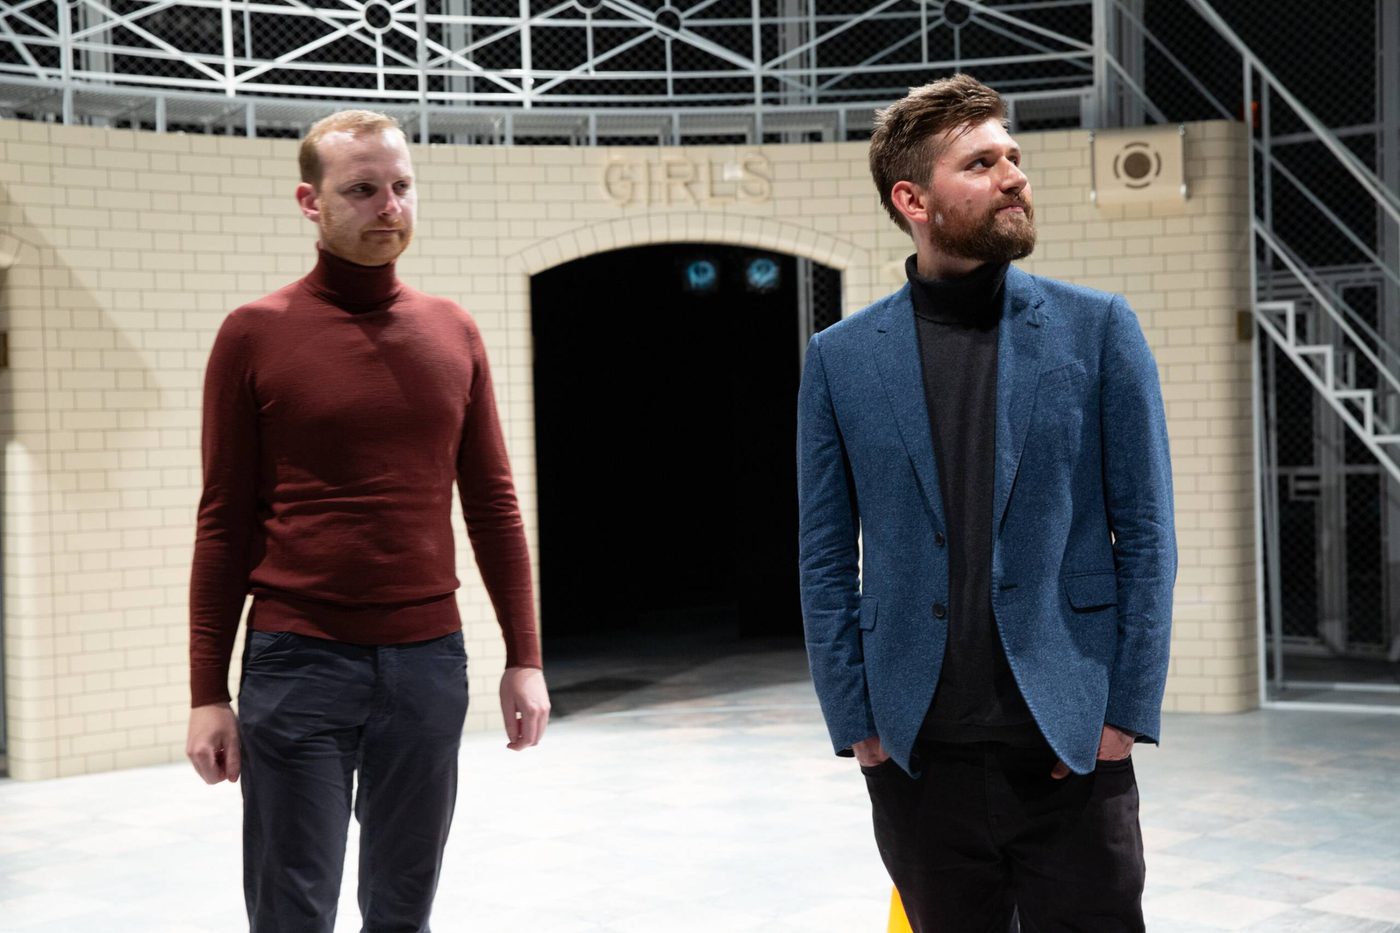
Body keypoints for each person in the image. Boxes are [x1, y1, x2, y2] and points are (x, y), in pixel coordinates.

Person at [796, 74, 1176, 932]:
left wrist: (1125, 714)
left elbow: (1149, 534)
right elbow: (823, 554)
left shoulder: (1099, 329)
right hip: (918, 755)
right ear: (913, 199)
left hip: (1070, 743)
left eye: (1013, 156)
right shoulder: (840, 358)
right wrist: (856, 722)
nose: (1014, 176)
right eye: (980, 163)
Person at [185, 109, 550, 933]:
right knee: (291, 911)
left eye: (401, 186)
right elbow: (223, 523)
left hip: (428, 664)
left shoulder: (452, 330)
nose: (389, 206)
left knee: (403, 911)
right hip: (297, 661)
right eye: (362, 189)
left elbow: (493, 506)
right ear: (309, 202)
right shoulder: (253, 334)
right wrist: (208, 692)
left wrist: (524, 657)